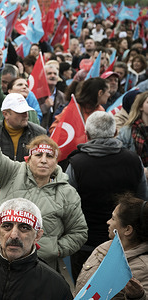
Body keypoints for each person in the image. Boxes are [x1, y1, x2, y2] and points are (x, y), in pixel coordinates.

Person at [0, 98, 88, 270]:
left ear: (56, 162)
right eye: (38, 155)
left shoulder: (67, 193)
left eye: (49, 156)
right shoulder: (12, 172)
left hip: (38, 267)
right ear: (28, 159)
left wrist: (55, 250)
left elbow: (79, 232)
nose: (43, 161)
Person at [66, 111, 147, 281]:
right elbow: (142, 202)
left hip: (86, 245)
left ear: (86, 135)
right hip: (127, 244)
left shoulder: (76, 164)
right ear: (116, 132)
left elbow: (67, 206)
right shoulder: (134, 160)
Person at [0, 93, 46, 247]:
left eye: (26, 111)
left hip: (28, 197)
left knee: (22, 239)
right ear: (5, 114)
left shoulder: (39, 133)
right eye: (20, 112)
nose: (25, 115)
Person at [75, 194, 148, 299]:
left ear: (128, 230)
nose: (108, 222)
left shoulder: (143, 268)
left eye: (113, 218)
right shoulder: (104, 247)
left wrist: (137, 296)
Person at [0, 47, 42, 125]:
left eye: (26, 86)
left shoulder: (32, 112)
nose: (24, 87)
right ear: (9, 90)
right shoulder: (1, 102)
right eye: (19, 84)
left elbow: (36, 134)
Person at [118, 91, 148, 181]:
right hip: (135, 178)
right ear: (140, 107)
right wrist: (142, 170)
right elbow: (121, 157)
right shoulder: (127, 131)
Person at [38, 64, 67, 131]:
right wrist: (45, 106)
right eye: (49, 73)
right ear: (43, 77)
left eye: (55, 74)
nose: (52, 76)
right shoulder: (36, 94)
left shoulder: (62, 96)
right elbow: (32, 115)